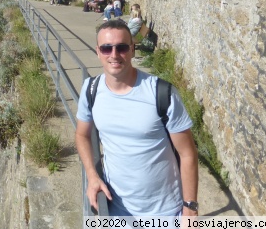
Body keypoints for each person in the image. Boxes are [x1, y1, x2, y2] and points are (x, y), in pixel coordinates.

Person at [75, 19, 198, 216]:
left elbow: (188, 153)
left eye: (122, 47)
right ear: (98, 51)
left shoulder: (161, 92)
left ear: (132, 49)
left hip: (165, 212)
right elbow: (82, 135)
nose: (114, 55)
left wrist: (190, 208)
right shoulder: (91, 90)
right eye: (107, 49)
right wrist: (92, 175)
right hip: (117, 209)